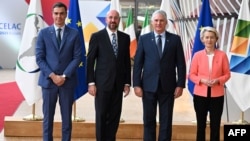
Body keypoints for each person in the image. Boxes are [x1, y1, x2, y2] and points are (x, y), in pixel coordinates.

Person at [133, 10, 186, 141]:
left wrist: (180, 85)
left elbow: (181, 64)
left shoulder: (175, 39)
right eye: (156, 20)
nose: (158, 23)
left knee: (166, 121)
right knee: (149, 120)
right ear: (152, 23)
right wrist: (136, 85)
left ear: (166, 22)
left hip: (168, 87)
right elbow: (138, 64)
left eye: (161, 20)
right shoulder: (144, 39)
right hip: (148, 87)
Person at [35, 2, 82, 141]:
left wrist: (64, 76)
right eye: (56, 13)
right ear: (52, 14)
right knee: (47, 120)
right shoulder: (43, 33)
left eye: (62, 13)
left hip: (67, 83)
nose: (59, 16)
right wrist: (53, 76)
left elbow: (77, 57)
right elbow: (39, 58)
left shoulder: (74, 33)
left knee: (67, 120)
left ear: (66, 14)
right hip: (48, 83)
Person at [86, 10, 131, 141]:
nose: (113, 20)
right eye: (110, 17)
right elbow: (90, 61)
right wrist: (91, 83)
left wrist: (127, 83)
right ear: (106, 19)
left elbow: (126, 62)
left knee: (115, 117)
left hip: (118, 85)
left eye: (115, 18)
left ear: (119, 20)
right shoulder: (97, 36)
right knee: (101, 116)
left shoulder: (125, 38)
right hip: (101, 85)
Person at [188, 26, 231, 141]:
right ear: (202, 39)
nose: (209, 40)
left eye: (212, 37)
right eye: (206, 37)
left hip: (217, 95)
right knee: (200, 124)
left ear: (216, 39)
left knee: (215, 125)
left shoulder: (222, 55)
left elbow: (227, 74)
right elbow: (191, 74)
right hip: (200, 94)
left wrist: (218, 80)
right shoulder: (197, 55)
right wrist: (202, 80)